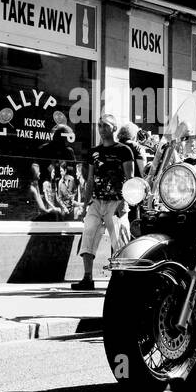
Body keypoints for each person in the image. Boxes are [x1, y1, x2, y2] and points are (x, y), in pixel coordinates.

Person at [71, 114, 135, 290]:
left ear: (114, 128)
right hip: (97, 201)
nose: (102, 128)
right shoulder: (94, 151)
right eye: (99, 125)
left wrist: (124, 201)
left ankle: (122, 281)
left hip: (116, 202)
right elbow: (90, 179)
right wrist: (85, 204)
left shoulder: (124, 151)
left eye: (106, 125)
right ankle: (87, 278)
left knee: (119, 240)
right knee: (89, 233)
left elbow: (130, 179)